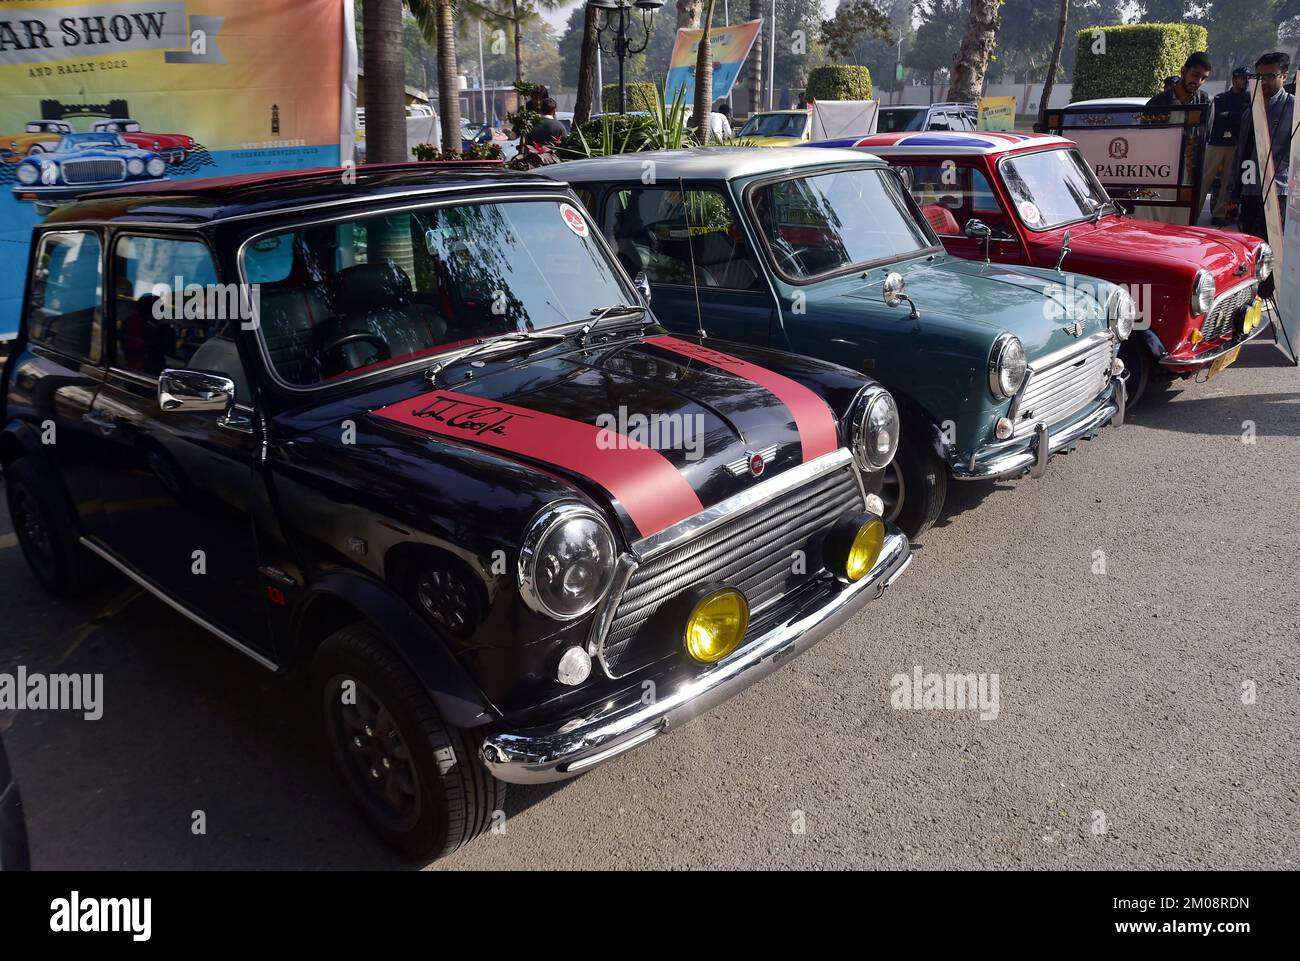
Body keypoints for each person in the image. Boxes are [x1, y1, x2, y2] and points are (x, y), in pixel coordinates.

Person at [1229, 51, 1296, 240]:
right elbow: (1241, 152)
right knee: (1251, 247)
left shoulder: (1295, 110)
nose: (1263, 81)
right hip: (1250, 190)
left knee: (1275, 251)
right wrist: (1233, 192)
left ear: (1284, 75)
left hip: (1280, 193)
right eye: (1259, 76)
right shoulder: (1250, 111)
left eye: (1270, 76)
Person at [1204, 68, 1251, 225]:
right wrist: (1233, 116)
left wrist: (1230, 115)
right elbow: (1215, 118)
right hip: (1217, 143)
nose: (1245, 81)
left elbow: (1245, 120)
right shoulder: (1221, 98)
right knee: (1205, 179)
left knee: (1227, 182)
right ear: (1234, 79)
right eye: (1243, 78)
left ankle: (1219, 214)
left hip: (1235, 144)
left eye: (1247, 78)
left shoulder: (1249, 100)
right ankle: (1192, 210)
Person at [1145, 52, 1213, 110]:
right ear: (1183, 71)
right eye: (1195, 75)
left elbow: (1206, 125)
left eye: (1203, 78)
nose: (1198, 82)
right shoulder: (1156, 103)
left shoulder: (1206, 102)